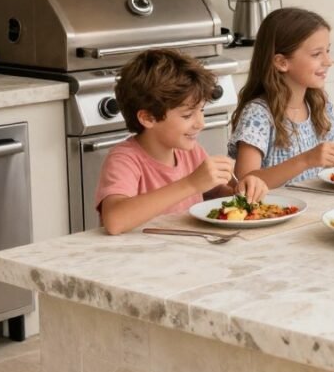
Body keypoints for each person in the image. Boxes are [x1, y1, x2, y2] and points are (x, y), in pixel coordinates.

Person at [95, 49, 260, 235]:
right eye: (187, 115)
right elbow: (114, 221)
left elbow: (212, 193)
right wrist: (191, 184)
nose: (201, 123)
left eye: (202, 111)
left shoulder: (191, 151)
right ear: (148, 118)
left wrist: (240, 192)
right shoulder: (125, 159)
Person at [230, 7, 334, 187]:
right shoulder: (258, 115)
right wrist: (306, 160)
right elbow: (245, 182)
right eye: (316, 54)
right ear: (282, 62)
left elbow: (321, 169)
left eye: (327, 51)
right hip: (275, 212)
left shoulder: (318, 105)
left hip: (315, 209)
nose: (328, 61)